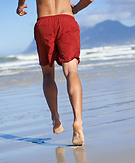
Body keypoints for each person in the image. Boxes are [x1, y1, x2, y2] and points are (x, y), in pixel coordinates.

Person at [16, 0, 93, 146]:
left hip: (44, 23)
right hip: (67, 20)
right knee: (71, 71)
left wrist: (20, 5)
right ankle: (77, 121)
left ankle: (55, 117)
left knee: (48, 74)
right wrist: (75, 9)